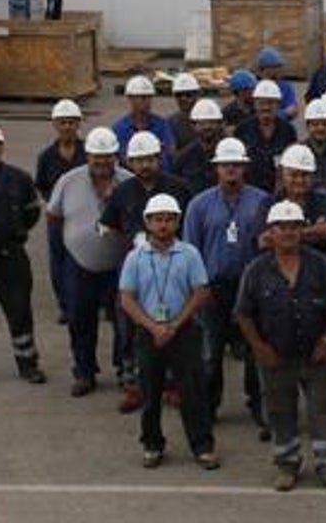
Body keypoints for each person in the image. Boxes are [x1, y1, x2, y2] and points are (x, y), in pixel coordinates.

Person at [236, 201, 326, 494]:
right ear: (270, 232)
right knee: (279, 411)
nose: (288, 233)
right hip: (275, 355)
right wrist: (259, 347)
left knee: (324, 410)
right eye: (281, 228)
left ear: (302, 230)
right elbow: (243, 313)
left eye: (294, 227)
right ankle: (286, 464)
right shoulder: (256, 269)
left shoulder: (320, 264)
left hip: (316, 354)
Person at [118, 193, 216, 470]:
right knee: (150, 392)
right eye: (158, 220)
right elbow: (126, 298)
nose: (163, 225)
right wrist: (153, 327)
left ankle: (202, 446)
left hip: (183, 332)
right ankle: (152, 444)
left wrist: (174, 325)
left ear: (177, 222)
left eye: (169, 220)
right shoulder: (135, 257)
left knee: (192, 392)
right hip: (148, 334)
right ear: (147, 223)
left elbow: (201, 292)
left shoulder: (189, 254)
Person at [100, 131, 193, 413]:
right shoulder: (123, 191)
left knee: (176, 330)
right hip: (135, 275)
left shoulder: (179, 188)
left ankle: (174, 385)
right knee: (128, 330)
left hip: (174, 270)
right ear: (129, 161)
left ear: (159, 157)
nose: (144, 166)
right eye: (138, 160)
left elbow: (190, 225)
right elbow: (111, 226)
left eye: (149, 159)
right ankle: (133, 385)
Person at [181, 137, 269, 429]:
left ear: (245, 168)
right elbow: (190, 251)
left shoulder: (261, 201)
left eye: (236, 165)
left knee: (256, 351)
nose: (231, 169)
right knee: (210, 353)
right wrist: (197, 289)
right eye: (225, 165)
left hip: (252, 288)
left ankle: (259, 406)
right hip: (213, 289)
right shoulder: (199, 205)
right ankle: (208, 407)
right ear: (216, 169)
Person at [48, 127, 134, 397]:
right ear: (88, 157)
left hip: (120, 267)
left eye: (108, 157)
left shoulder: (128, 182)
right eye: (97, 158)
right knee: (80, 319)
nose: (102, 163)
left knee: (124, 322)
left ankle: (125, 370)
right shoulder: (68, 181)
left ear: (116, 156)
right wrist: (59, 261)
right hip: (79, 264)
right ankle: (84, 371)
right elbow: (53, 218)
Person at [0, 122, 46, 384]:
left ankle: (28, 364)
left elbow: (32, 212)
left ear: (1, 148)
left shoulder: (18, 179)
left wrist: (13, 231)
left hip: (9, 256)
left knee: (19, 310)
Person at [35, 99, 85, 322]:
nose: (67, 127)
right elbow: (42, 185)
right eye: (62, 122)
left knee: (87, 258)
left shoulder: (88, 153)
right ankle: (65, 306)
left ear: (78, 124)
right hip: (57, 218)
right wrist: (56, 204)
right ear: (55, 125)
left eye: (71, 122)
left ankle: (91, 302)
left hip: (85, 216)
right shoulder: (46, 157)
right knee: (60, 262)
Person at [234, 80, 298, 194]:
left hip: (280, 192)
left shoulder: (288, 130)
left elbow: (292, 163)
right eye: (261, 103)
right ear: (254, 104)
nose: (266, 107)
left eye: (270, 103)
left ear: (278, 104)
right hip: (249, 191)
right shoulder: (242, 130)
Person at [113, 75, 174, 171]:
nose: (144, 101)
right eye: (139, 97)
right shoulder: (119, 128)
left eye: (147, 97)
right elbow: (122, 158)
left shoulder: (162, 125)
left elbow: (168, 154)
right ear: (130, 98)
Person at [172, 99, 226, 197]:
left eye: (211, 122)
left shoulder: (229, 153)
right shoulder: (184, 157)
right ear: (193, 125)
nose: (207, 127)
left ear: (219, 124)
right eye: (202, 123)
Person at [255, 47, 299, 120]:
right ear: (263, 69)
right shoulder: (255, 87)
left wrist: (276, 114)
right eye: (276, 67)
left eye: (279, 67)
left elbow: (293, 109)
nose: (279, 70)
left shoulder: (285, 86)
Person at [168, 73, 202, 153]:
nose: (183, 99)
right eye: (179, 95)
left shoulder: (209, 119)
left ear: (197, 95)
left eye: (188, 95)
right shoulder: (171, 123)